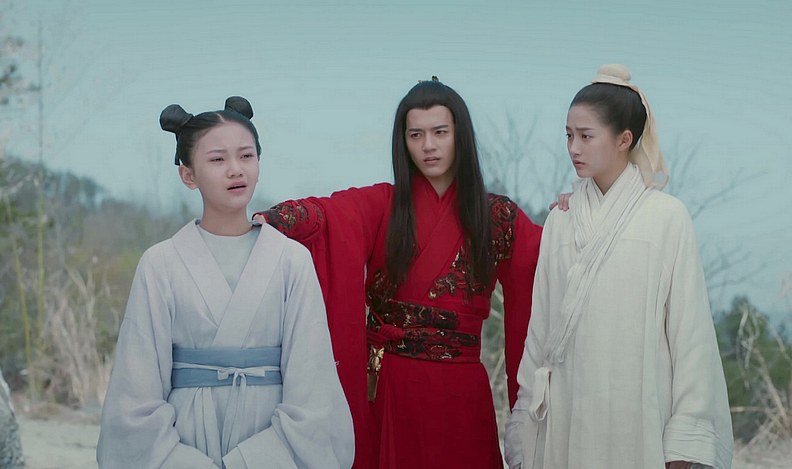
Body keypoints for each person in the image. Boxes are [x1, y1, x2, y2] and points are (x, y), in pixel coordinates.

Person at [255, 78, 543, 468]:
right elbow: (328, 217)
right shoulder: (384, 205)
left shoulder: (496, 217)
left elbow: (548, 262)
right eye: (415, 134)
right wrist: (274, 220)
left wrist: (574, 214)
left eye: (440, 132)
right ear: (403, 141)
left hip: (460, 394)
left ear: (460, 135)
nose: (428, 145)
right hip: (390, 385)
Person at [97, 97, 354, 468]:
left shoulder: (292, 261)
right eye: (217, 160)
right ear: (188, 175)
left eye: (246, 156)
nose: (236, 170)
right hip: (183, 442)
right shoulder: (160, 264)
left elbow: (313, 388)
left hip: (275, 441)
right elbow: (135, 394)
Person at [505, 65, 734, 469]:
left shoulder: (667, 218)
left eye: (586, 136)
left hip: (639, 413)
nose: (573, 148)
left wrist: (684, 438)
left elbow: (691, 335)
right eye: (568, 136)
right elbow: (539, 330)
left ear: (624, 139)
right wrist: (525, 417)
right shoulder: (561, 219)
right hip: (565, 410)